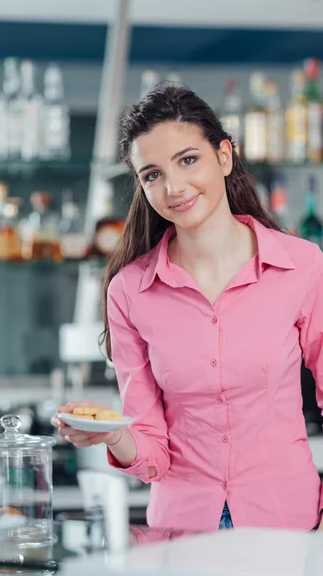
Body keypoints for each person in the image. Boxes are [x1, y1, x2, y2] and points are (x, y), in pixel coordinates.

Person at [53, 83, 323, 533]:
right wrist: (114, 435)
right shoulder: (130, 292)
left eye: (188, 160)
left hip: (285, 523)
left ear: (223, 156)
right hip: (180, 532)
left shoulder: (302, 266)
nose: (174, 187)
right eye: (152, 174)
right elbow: (153, 453)